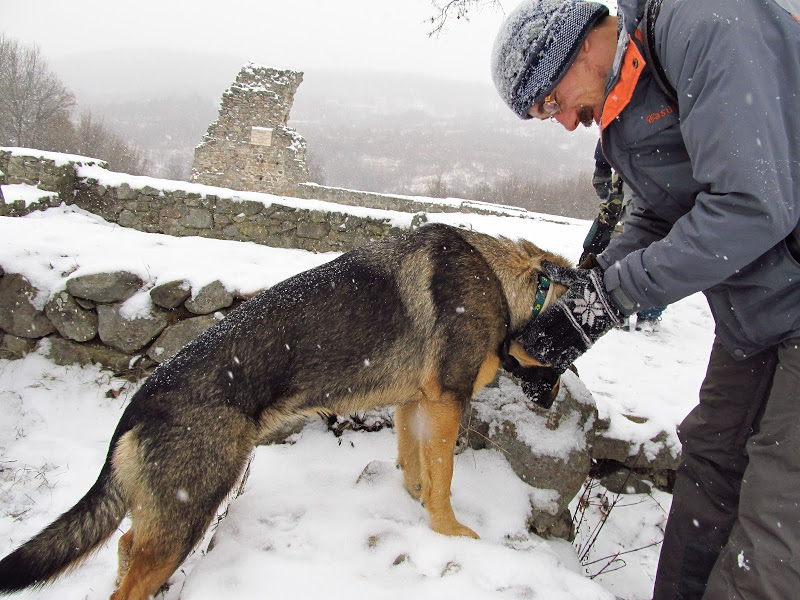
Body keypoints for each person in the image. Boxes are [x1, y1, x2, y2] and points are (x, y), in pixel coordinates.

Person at [491, 1, 800, 599]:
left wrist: (612, 294)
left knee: (777, 514)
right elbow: (657, 213)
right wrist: (587, 301)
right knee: (711, 464)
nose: (563, 123)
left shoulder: (709, 25)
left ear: (579, 46)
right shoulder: (624, 102)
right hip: (759, 313)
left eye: (550, 102)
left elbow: (750, 205)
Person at [583, 139, 666, 332]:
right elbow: (611, 128)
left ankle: (639, 311)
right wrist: (602, 166)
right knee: (643, 237)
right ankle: (626, 307)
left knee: (652, 240)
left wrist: (602, 166)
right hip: (636, 173)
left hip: (649, 173)